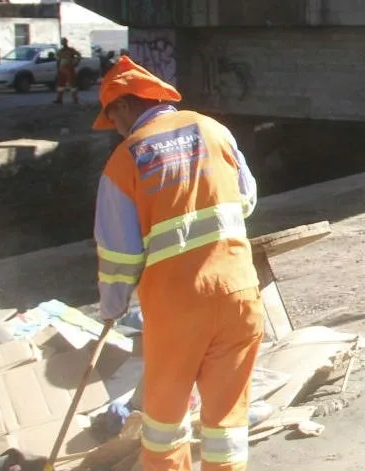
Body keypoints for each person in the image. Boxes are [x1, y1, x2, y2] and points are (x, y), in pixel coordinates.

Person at [91, 56, 264, 471]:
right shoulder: (214, 129)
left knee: (164, 426)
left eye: (111, 116)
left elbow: (119, 255)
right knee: (226, 426)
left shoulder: (124, 161)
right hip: (239, 293)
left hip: (177, 308)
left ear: (125, 106)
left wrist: (112, 308)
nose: (113, 128)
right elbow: (246, 200)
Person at [54, 37, 82, 105]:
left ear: (66, 42)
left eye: (64, 42)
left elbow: (79, 55)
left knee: (72, 83)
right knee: (61, 84)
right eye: (62, 42)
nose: (63, 43)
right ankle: (59, 99)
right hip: (62, 68)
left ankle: (75, 99)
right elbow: (58, 60)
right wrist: (58, 70)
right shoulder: (60, 51)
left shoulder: (71, 50)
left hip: (69, 67)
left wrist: (76, 62)